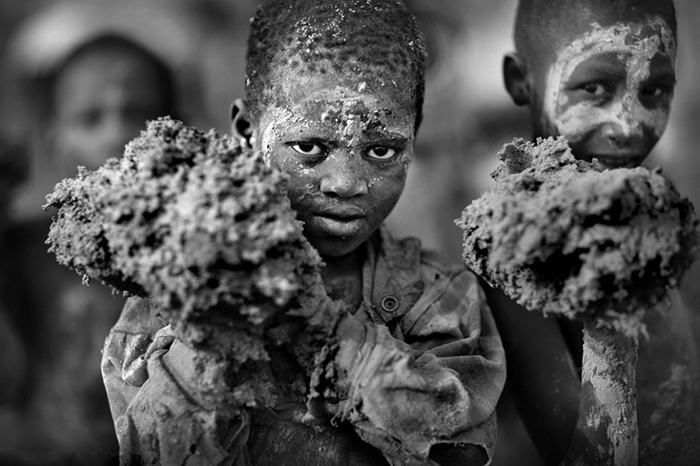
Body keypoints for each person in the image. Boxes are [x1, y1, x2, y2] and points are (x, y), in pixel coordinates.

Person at [101, 0, 507, 465]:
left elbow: (458, 451)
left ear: (413, 138)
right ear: (247, 132)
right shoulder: (171, 300)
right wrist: (216, 327)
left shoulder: (441, 298)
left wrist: (316, 326)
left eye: (381, 150)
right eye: (311, 147)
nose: (346, 183)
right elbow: (154, 452)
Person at [497, 0, 700, 464]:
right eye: (592, 88)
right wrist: (609, 304)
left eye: (654, 91)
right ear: (520, 81)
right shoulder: (511, 247)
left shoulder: (656, 213)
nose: (629, 127)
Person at [0, 3, 188, 463]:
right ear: (53, 138)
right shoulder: (18, 250)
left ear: (177, 131)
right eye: (88, 118)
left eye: (137, 112)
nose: (115, 134)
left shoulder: (205, 250)